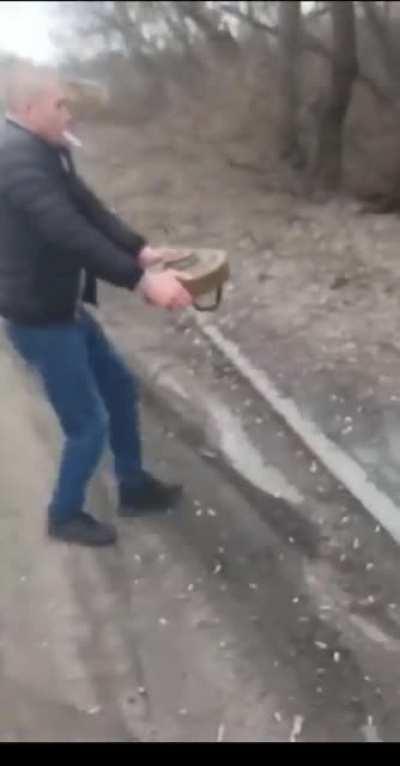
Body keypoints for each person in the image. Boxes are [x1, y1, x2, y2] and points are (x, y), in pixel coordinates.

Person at [0, 62, 193, 547]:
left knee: (119, 387)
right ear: (27, 108)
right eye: (60, 104)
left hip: (62, 306)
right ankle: (63, 515)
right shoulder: (16, 159)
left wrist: (139, 250)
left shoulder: (45, 149)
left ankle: (132, 487)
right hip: (41, 318)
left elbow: (87, 207)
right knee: (87, 425)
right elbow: (66, 230)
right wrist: (141, 281)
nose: (69, 112)